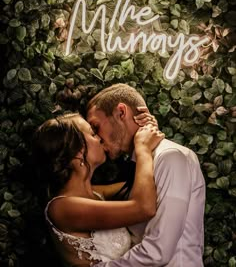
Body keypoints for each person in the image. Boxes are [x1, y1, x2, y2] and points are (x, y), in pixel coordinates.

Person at [86, 83, 206, 267]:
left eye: (96, 126)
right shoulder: (141, 163)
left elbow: (158, 251)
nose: (97, 137)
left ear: (121, 112)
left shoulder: (170, 157)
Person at [32, 112, 165, 267]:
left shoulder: (96, 194)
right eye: (93, 133)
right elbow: (144, 208)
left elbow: (144, 185)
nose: (100, 138)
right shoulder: (61, 208)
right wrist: (143, 149)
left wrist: (143, 130)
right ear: (78, 152)